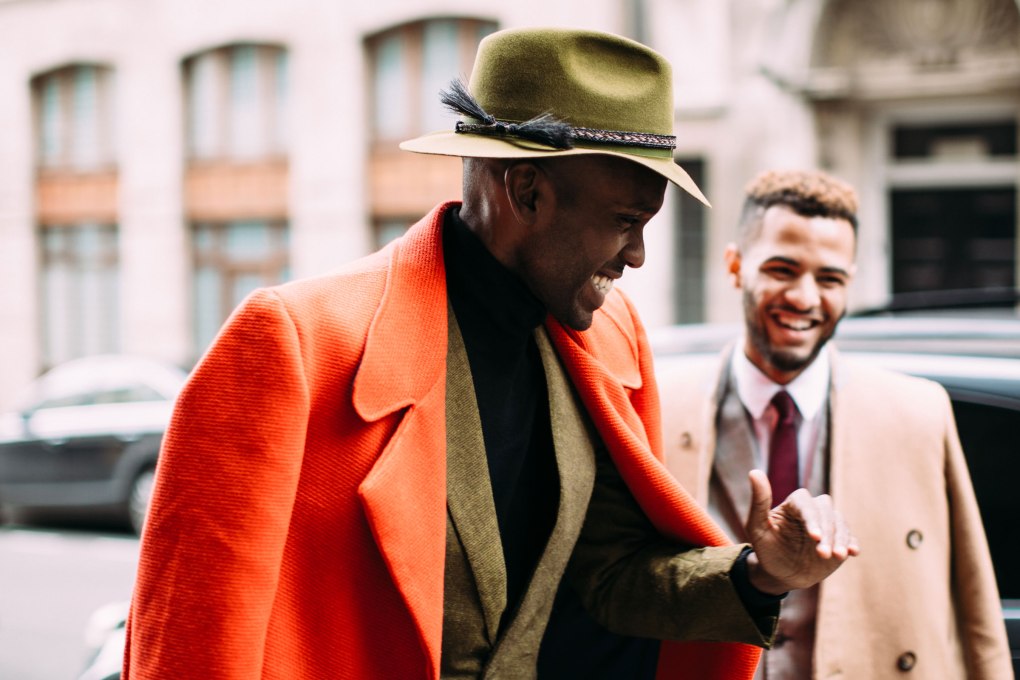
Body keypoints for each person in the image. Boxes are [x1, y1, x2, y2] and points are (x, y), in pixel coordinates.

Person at [124, 30, 857, 680]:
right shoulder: (290, 342)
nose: (637, 254)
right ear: (527, 191)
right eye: (625, 221)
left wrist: (760, 574)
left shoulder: (614, 336)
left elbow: (607, 580)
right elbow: (192, 647)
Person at [660, 169, 1012, 679]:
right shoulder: (659, 406)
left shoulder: (920, 412)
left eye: (829, 278)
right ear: (736, 266)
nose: (804, 298)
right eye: (782, 269)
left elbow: (975, 602)